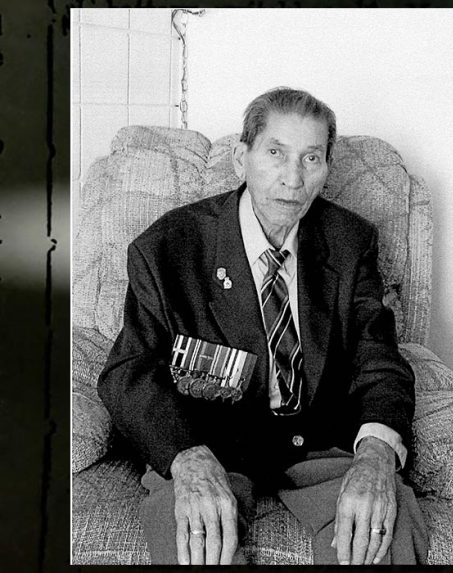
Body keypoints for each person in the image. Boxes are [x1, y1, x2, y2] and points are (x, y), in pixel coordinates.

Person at [98, 87, 428, 564]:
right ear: (241, 158)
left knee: (384, 539)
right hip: (210, 446)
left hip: (323, 442)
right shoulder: (168, 248)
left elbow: (377, 358)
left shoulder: (350, 242)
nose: (293, 178)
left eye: (311, 158)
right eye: (276, 153)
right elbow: (128, 373)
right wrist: (185, 459)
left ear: (327, 169)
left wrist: (376, 456)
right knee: (193, 543)